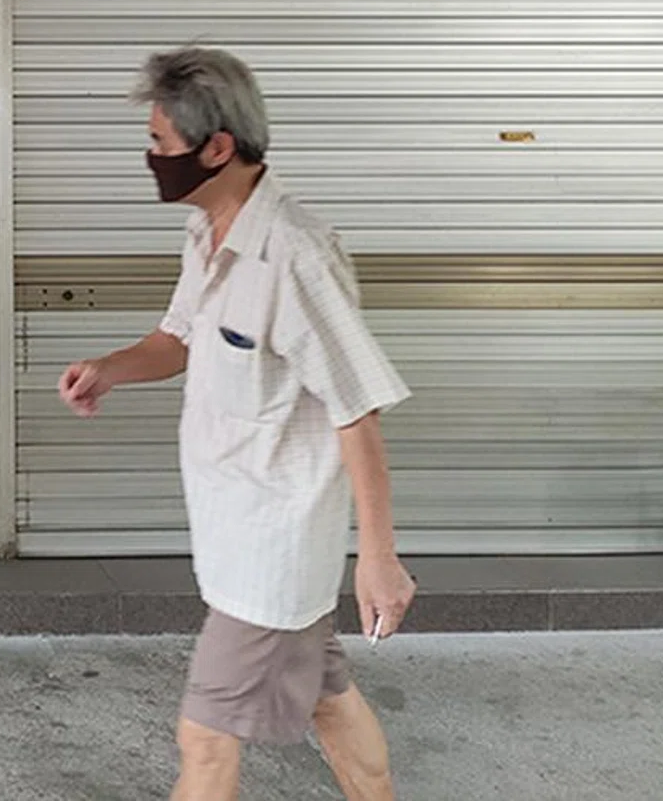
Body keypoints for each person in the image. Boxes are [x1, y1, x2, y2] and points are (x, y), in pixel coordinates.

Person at [59, 47, 415, 801]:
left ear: (216, 147)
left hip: (273, 554)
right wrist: (109, 369)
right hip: (234, 535)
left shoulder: (293, 256)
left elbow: (357, 409)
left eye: (160, 143)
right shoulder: (208, 234)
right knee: (325, 697)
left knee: (204, 738)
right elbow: (177, 340)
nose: (151, 158)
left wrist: (378, 559)